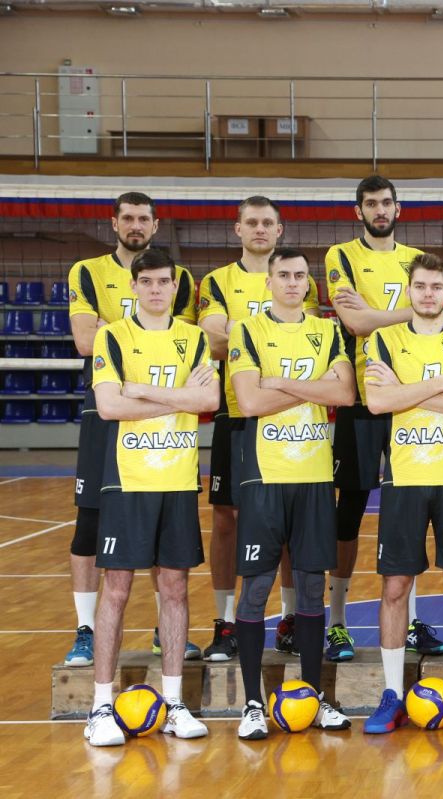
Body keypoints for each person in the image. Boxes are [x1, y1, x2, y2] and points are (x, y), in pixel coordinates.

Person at [83, 249, 216, 746]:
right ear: (134, 286)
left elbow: (208, 401)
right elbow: (108, 406)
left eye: (164, 282)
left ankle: (175, 701)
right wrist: (177, 397)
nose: (156, 289)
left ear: (175, 288)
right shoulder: (113, 336)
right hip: (128, 478)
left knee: (176, 589)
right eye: (148, 282)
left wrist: (141, 390)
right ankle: (100, 707)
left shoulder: (194, 337)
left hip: (178, 480)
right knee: (117, 588)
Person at [361, 253, 443, 734]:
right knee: (395, 587)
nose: (428, 294)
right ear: (409, 291)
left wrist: (408, 389)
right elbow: (378, 401)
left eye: (436, 287)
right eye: (420, 286)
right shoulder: (383, 339)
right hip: (404, 480)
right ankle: (392, 694)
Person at [226, 248, 356, 740]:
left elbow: (345, 394)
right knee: (257, 589)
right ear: (269, 282)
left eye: (300, 275)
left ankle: (313, 697)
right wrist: (313, 384)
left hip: (315, 475)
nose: (292, 282)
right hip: (265, 475)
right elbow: (249, 400)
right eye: (283, 274)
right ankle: (252, 704)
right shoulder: (247, 330)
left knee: (310, 588)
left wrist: (279, 381)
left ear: (309, 283)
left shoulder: (328, 330)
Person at [65, 191, 199, 668]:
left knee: (164, 528)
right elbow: (87, 340)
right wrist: (122, 335)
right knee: (90, 520)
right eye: (128, 218)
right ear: (114, 222)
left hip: (162, 415)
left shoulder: (180, 277)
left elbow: (171, 337)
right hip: (104, 404)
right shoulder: (87, 271)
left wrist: (116, 329)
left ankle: (166, 630)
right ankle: (85, 630)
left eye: (144, 218)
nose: (135, 225)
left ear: (156, 225)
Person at [324, 175, 443, 662]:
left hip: (409, 399)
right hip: (361, 399)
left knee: (408, 510)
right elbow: (355, 323)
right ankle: (337, 623)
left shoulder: (416, 259)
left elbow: (432, 318)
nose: (379, 210)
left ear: (398, 208)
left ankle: (410, 621)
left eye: (386, 202)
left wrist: (379, 314)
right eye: (371, 203)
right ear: (359, 211)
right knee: (348, 513)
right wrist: (413, 313)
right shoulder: (341, 255)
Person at [197, 195, 319, 662]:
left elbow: (303, 335)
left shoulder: (299, 278)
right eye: (252, 222)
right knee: (225, 517)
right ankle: (225, 621)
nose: (260, 229)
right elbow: (212, 340)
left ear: (280, 229)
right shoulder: (217, 280)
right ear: (238, 229)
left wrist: (244, 335)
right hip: (238, 412)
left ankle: (289, 619)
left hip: (291, 414)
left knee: (290, 522)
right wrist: (265, 337)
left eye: (268, 222)